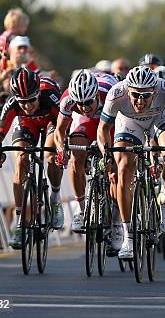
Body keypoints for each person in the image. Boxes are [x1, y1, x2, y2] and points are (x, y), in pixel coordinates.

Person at [97, 66, 165, 259]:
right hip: (130, 122)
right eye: (135, 95)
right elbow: (103, 129)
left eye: (146, 95)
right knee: (123, 167)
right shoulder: (116, 94)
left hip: (160, 117)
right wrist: (106, 154)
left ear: (154, 91)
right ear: (128, 90)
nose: (140, 101)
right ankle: (128, 237)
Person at [0, 67, 64, 249]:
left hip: (51, 123)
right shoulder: (12, 103)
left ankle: (55, 199)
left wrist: (61, 150)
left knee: (49, 155)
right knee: (21, 160)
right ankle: (21, 222)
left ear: (38, 93)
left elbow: (63, 129)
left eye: (31, 100)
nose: (27, 106)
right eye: (22, 102)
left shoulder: (50, 97)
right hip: (27, 124)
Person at [53, 70, 119, 247]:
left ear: (96, 94)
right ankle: (82, 210)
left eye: (88, 102)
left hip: (111, 121)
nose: (83, 107)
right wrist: (61, 150)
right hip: (88, 123)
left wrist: (111, 154)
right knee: (76, 157)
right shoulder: (68, 99)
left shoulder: (110, 94)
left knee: (114, 168)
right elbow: (60, 131)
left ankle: (117, 217)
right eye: (79, 103)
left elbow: (124, 125)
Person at [0, 8, 30, 80]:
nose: (26, 28)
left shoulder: (4, 35)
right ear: (17, 25)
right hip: (5, 66)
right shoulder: (13, 39)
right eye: (25, 26)